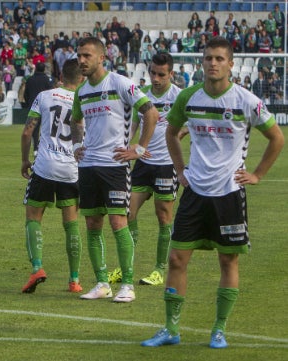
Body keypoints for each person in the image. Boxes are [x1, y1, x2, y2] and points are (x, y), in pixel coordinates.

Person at [142, 37, 284, 349]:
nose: (213, 63)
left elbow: (276, 137)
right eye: (208, 58)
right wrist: (180, 171)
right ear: (202, 63)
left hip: (230, 195)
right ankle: (170, 329)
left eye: (220, 58)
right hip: (194, 193)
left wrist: (257, 174)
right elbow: (170, 131)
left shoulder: (246, 100)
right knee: (177, 259)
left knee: (228, 262)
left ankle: (219, 330)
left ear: (231, 64)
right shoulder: (189, 97)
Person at [71, 37, 159, 303]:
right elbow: (75, 119)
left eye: (87, 55)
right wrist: (77, 144)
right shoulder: (81, 91)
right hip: (88, 166)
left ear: (101, 57)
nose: (82, 61)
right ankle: (101, 283)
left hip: (115, 166)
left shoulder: (120, 83)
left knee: (118, 221)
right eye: (79, 56)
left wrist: (139, 149)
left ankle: (128, 285)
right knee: (92, 223)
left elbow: (151, 113)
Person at [20, 59, 85, 294]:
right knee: (71, 225)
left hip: (45, 165)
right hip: (71, 169)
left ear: (61, 74)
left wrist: (25, 159)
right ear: (81, 78)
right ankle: (74, 280)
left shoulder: (45, 96)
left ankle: (37, 267)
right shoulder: (83, 100)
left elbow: (28, 131)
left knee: (33, 218)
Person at [127, 53, 181, 288]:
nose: (156, 78)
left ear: (171, 74)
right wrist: (129, 145)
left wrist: (174, 138)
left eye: (161, 74)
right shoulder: (143, 96)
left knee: (163, 217)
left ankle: (159, 269)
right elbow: (135, 124)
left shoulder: (179, 96)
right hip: (142, 163)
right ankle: (125, 265)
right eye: (153, 73)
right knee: (127, 213)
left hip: (166, 164)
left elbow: (188, 125)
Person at [24, 62, 54, 154]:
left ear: (36, 68)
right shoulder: (47, 80)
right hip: (45, 106)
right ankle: (45, 147)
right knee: (46, 127)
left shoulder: (30, 79)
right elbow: (51, 93)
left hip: (33, 106)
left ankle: (35, 148)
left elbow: (26, 94)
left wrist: (29, 102)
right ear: (44, 69)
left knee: (34, 128)